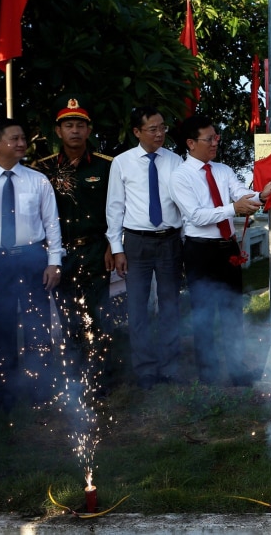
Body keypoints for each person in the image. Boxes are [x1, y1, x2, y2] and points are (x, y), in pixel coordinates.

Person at [0, 118, 63, 410]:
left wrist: (54, 261)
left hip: (32, 259)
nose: (21, 144)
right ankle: (6, 396)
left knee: (38, 327)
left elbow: (51, 224)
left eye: (23, 138)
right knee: (1, 329)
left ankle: (41, 390)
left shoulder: (37, 180)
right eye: (14, 138)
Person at [171, 114, 271, 386]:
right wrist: (233, 209)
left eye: (216, 137)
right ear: (191, 143)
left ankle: (237, 369)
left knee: (232, 309)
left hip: (226, 247)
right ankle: (208, 373)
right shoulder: (180, 177)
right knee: (203, 312)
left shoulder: (223, 170)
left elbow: (241, 194)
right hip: (200, 251)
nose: (215, 143)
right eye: (209, 139)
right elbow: (196, 216)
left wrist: (261, 196)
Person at [106, 106, 183, 390]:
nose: (160, 133)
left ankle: (170, 366)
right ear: (137, 132)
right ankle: (145, 370)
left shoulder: (175, 161)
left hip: (169, 240)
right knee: (137, 307)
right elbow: (114, 207)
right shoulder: (122, 162)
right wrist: (117, 248)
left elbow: (183, 202)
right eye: (153, 129)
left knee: (170, 305)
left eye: (162, 127)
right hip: (136, 241)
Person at [34, 99, 114, 364]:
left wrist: (112, 246)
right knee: (68, 315)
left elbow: (116, 210)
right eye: (68, 125)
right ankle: (75, 374)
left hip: (95, 250)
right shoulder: (43, 169)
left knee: (98, 314)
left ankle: (101, 375)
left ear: (89, 130)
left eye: (80, 125)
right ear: (58, 131)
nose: (75, 131)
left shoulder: (106, 166)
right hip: (60, 252)